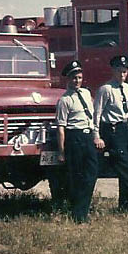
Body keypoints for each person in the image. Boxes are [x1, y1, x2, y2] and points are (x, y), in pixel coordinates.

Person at [93, 55, 128, 212]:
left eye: (125, 71)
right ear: (113, 71)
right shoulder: (106, 90)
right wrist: (97, 135)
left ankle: (125, 205)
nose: (123, 75)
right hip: (113, 130)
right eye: (119, 71)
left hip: (126, 129)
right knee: (124, 168)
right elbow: (97, 114)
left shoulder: (127, 88)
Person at [55, 60, 99, 223]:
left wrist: (96, 135)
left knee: (92, 173)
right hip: (74, 138)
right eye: (74, 78)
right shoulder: (64, 100)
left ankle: (82, 208)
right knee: (78, 176)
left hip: (88, 137)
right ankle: (79, 214)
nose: (77, 81)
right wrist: (61, 152)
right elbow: (61, 127)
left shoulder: (86, 94)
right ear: (68, 79)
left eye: (79, 77)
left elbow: (92, 117)